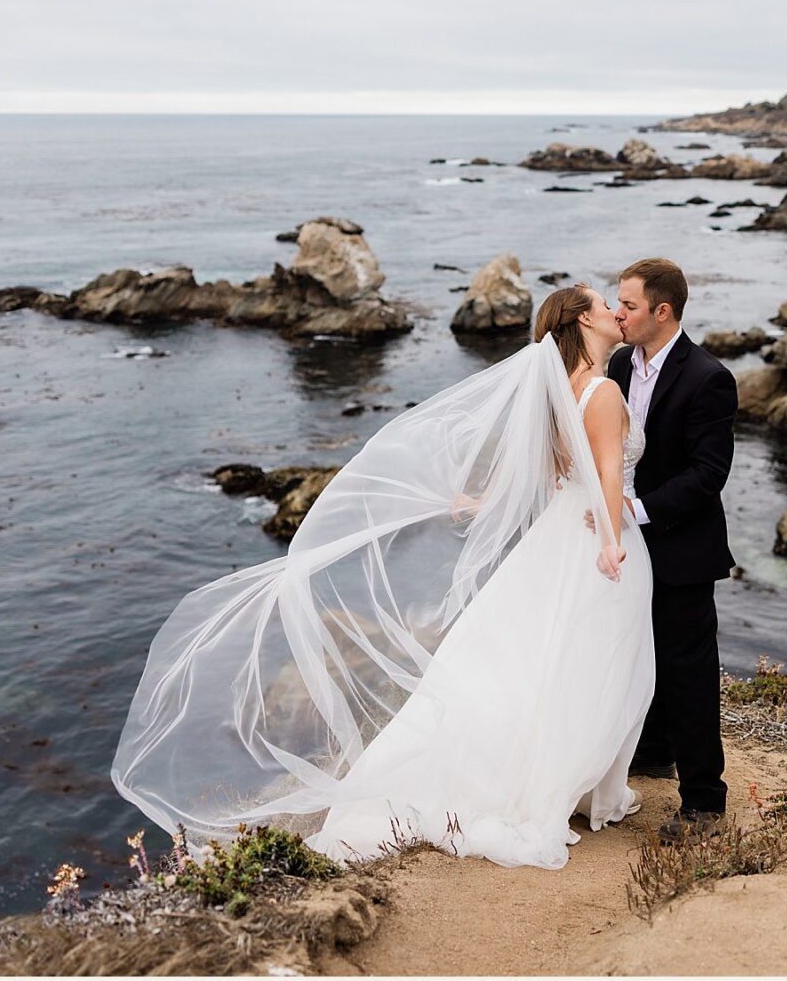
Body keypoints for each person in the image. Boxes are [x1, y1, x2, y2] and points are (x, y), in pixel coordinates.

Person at [111, 284, 655, 870]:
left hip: (555, 538)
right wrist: (608, 543)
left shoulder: (555, 392)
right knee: (594, 663)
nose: (615, 312)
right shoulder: (599, 392)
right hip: (590, 543)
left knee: (540, 663)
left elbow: (545, 476)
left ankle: (548, 780)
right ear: (581, 320)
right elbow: (605, 477)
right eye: (605, 305)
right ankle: (555, 788)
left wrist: (486, 502)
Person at [603, 257, 738, 843]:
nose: (617, 313)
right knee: (637, 649)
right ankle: (654, 751)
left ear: (663, 311)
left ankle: (705, 801)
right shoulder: (617, 363)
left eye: (627, 305)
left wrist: (636, 508)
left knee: (689, 670)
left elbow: (710, 474)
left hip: (680, 546)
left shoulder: (709, 377)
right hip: (625, 541)